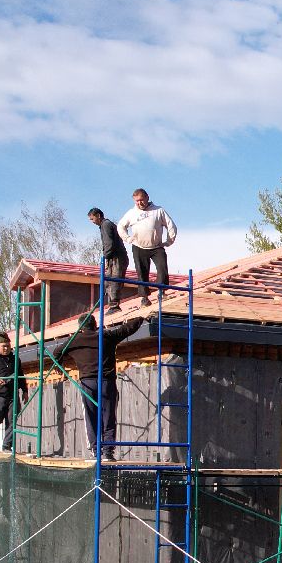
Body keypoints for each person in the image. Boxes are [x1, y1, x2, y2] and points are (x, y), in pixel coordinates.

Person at [52, 308, 145, 458]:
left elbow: (56, 352)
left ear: (80, 328)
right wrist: (141, 317)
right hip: (106, 382)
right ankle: (108, 452)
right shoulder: (106, 336)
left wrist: (59, 367)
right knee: (108, 416)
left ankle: (96, 450)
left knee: (90, 416)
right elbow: (126, 329)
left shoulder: (74, 340)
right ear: (95, 326)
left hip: (88, 383)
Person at [116, 188, 177, 304]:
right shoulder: (131, 213)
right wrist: (128, 238)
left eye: (141, 200)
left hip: (156, 246)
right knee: (142, 271)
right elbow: (120, 226)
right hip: (139, 246)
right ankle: (144, 298)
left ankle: (162, 293)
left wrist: (169, 241)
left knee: (162, 268)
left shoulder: (158, 210)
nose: (139, 203)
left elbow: (171, 226)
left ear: (147, 197)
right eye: (136, 201)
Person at [88, 207, 131, 298]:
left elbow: (109, 243)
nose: (92, 221)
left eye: (92, 219)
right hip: (116, 256)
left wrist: (105, 257)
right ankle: (112, 303)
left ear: (98, 216)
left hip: (116, 257)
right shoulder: (107, 225)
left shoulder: (105, 225)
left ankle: (114, 305)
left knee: (113, 280)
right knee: (110, 281)